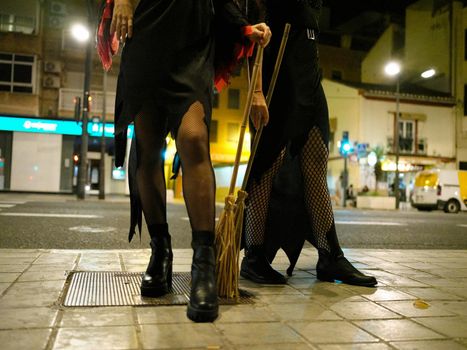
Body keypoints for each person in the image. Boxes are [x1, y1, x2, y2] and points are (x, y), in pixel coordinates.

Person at [100, 0, 271, 322]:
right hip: (146, 36)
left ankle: (203, 263)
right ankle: (160, 253)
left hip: (193, 45)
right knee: (147, 150)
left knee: (193, 138)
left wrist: (246, 28)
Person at [240, 0, 377, 287]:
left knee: (317, 159)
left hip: (310, 77)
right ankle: (253, 256)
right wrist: (256, 90)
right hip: (277, 73)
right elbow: (255, 27)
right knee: (267, 164)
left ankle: (330, 255)